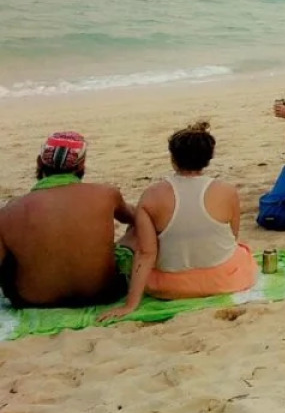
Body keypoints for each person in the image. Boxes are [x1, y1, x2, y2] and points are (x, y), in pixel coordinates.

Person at [104, 122, 255, 321]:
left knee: (134, 242)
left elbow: (146, 253)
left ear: (173, 159)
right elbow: (232, 238)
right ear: (208, 159)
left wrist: (131, 304)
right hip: (226, 279)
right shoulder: (227, 191)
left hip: (170, 287)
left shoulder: (152, 196)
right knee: (241, 250)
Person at [0, 133, 148, 309]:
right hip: (104, 294)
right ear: (82, 165)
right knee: (140, 227)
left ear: (39, 162)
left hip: (34, 302)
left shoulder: (8, 211)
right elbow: (138, 218)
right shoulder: (106, 194)